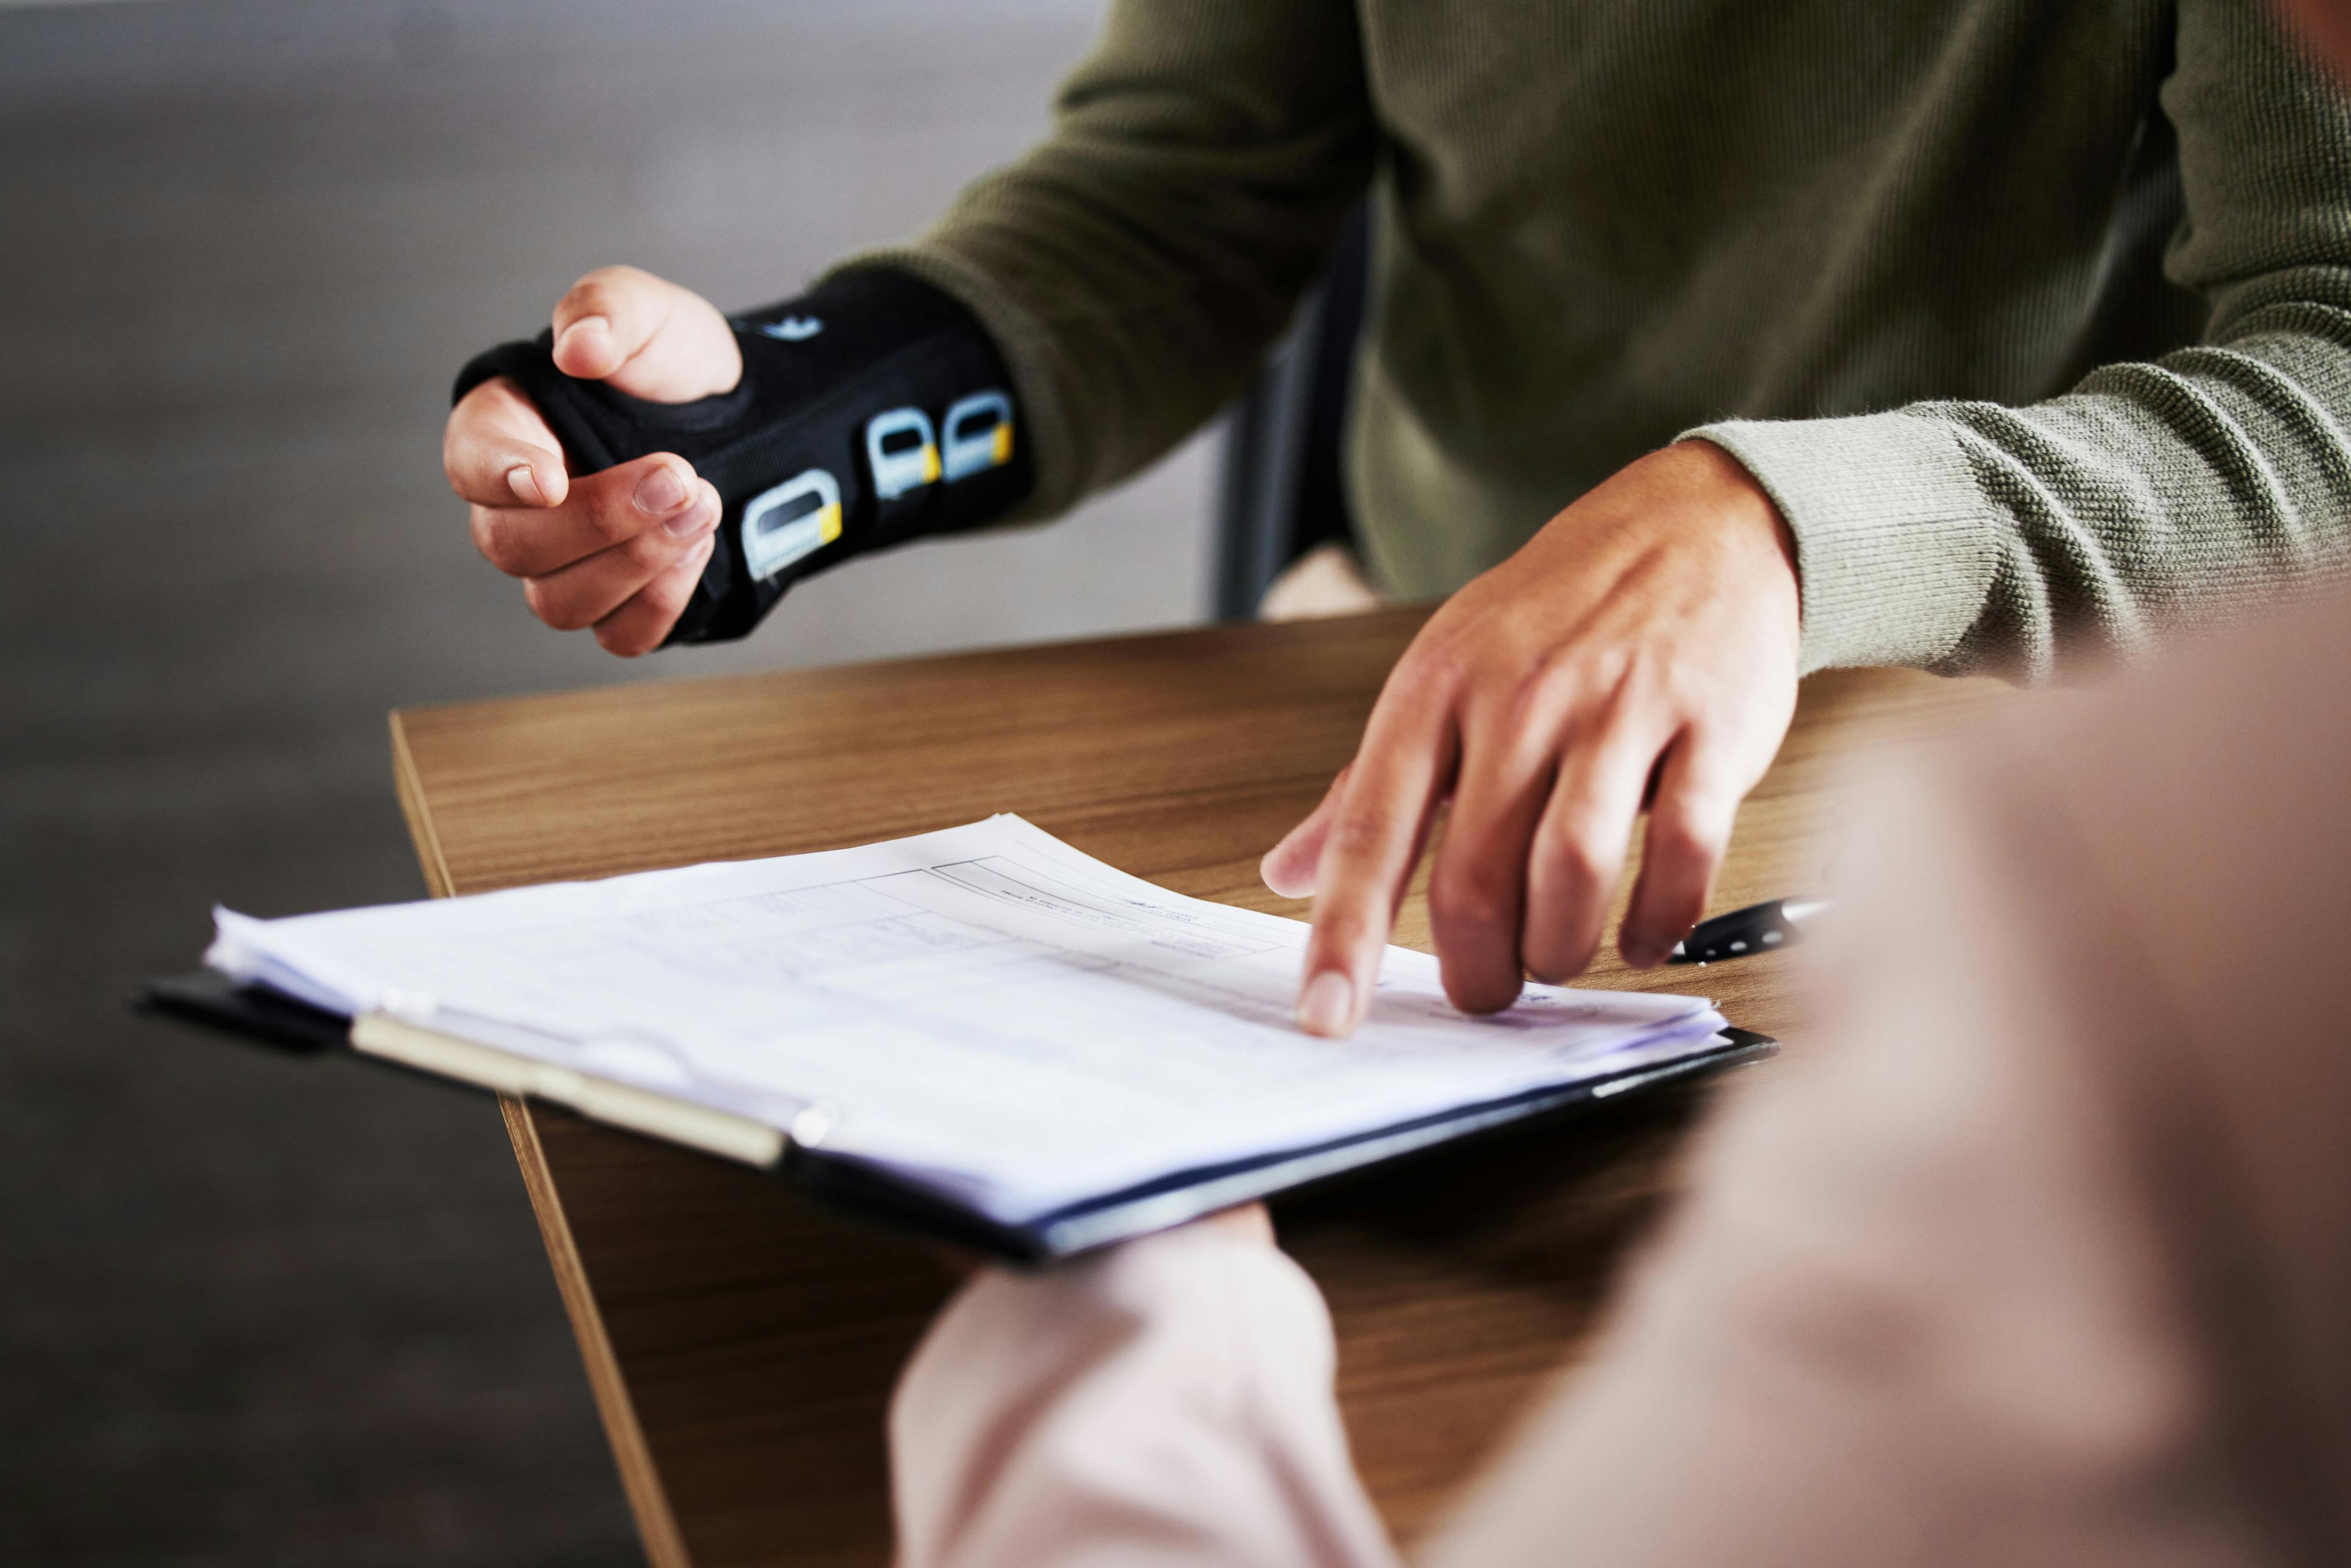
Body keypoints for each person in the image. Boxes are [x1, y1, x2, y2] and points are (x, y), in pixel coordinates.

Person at [443, 0, 2351, 1038]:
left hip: (2041, 733)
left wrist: (1786, 527)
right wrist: (771, 430)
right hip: (1404, 686)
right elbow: (1179, 199)